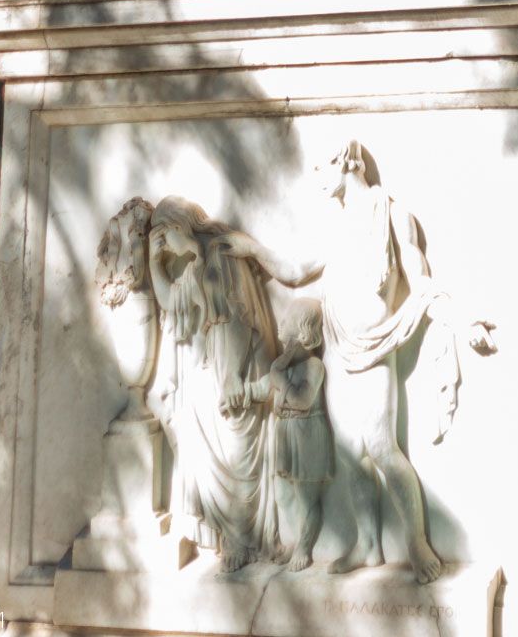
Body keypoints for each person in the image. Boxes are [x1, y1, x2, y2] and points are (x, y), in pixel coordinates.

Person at [225, 139, 495, 584]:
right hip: (337, 351)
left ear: (345, 161)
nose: (315, 179)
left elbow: (421, 284)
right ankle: (369, 546)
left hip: (374, 348)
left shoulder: (393, 216)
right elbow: (294, 270)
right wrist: (252, 249)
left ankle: (417, 543)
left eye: (319, 168)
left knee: (382, 447)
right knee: (352, 457)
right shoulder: (333, 228)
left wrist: (463, 323)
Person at [146, 196, 277, 572]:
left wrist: (233, 377)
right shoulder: (194, 267)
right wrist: (156, 264)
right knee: (194, 431)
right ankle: (231, 534)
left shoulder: (219, 257)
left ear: (175, 227)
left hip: (237, 367)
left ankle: (244, 537)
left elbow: (236, 319)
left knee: (234, 453)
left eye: (161, 236)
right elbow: (172, 301)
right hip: (216, 368)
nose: (162, 244)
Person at [231, 298, 334, 572]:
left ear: (302, 331)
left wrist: (281, 379)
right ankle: (289, 539)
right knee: (284, 496)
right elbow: (265, 388)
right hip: (286, 434)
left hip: (307, 433)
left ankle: (304, 547)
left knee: (307, 497)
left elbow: (302, 399)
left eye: (286, 320)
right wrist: (244, 393)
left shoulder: (314, 367)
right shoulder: (282, 368)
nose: (280, 324)